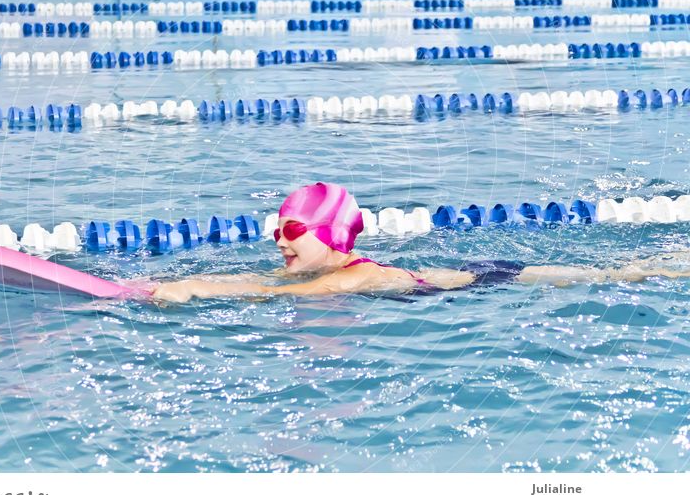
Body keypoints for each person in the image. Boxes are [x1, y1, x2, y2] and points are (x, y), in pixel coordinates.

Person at [149, 182, 690, 303]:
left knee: (612, 275)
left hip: (490, 279)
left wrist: (195, 287)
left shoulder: (351, 275)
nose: (278, 240)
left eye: (291, 230)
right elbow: (262, 280)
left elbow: (275, 295)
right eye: (277, 230)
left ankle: (671, 267)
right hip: (461, 275)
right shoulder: (314, 267)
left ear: (331, 236)